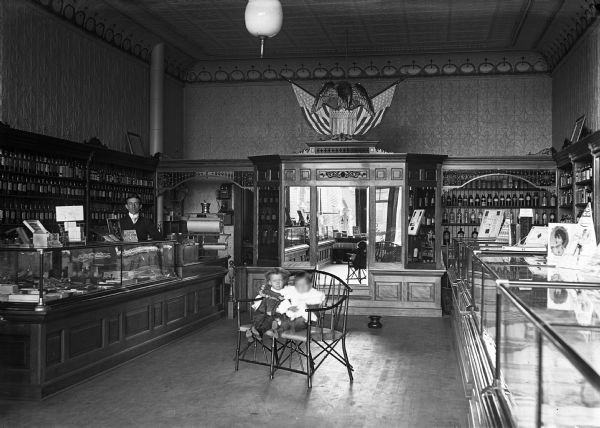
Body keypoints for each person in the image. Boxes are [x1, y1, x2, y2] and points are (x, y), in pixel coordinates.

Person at [271, 271, 325, 338]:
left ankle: (285, 327)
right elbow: (283, 299)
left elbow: (315, 306)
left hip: (306, 318)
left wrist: (303, 308)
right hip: (291, 316)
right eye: (298, 285)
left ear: (310, 285)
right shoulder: (293, 292)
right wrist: (289, 308)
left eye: (304, 285)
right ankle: (278, 329)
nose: (301, 287)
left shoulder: (313, 294)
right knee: (284, 319)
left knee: (299, 322)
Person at [249, 268, 290, 338]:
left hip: (277, 314)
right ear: (270, 282)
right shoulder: (266, 291)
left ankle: (260, 331)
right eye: (274, 281)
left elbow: (287, 305)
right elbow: (258, 300)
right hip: (264, 312)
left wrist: (277, 311)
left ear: (284, 281)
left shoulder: (285, 293)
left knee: (271, 320)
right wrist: (259, 305)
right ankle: (254, 330)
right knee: (259, 317)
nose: (277, 283)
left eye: (280, 280)